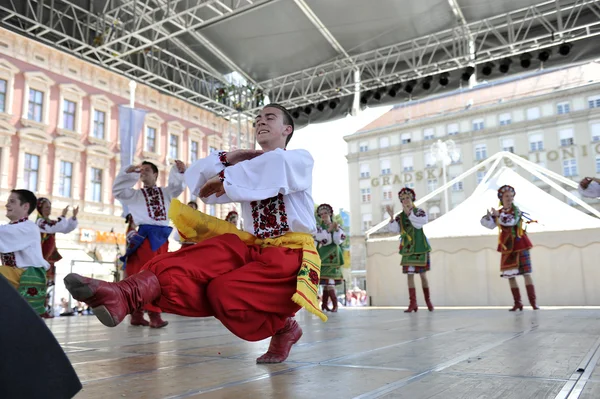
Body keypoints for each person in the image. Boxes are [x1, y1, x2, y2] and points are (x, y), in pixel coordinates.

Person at [63, 103, 325, 364]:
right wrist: (232, 157)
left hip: (290, 255)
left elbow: (273, 166)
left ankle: (283, 328)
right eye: (257, 119)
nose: (261, 122)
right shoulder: (244, 170)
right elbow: (201, 185)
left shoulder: (298, 159)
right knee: (204, 255)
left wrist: (227, 178)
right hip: (256, 248)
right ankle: (126, 294)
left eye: (269, 118)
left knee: (223, 291)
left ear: (287, 129)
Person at [111, 160, 186, 328]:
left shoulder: (166, 192)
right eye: (141, 170)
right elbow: (117, 190)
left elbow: (177, 187)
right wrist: (128, 173)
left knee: (155, 274)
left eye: (147, 170)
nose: (143, 172)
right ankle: (147, 315)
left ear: (155, 174)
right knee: (145, 274)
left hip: (160, 238)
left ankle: (146, 314)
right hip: (144, 238)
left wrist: (179, 171)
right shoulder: (135, 195)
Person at [480, 185, 539, 311]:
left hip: (519, 244)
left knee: (526, 273)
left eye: (511, 196)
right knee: (510, 275)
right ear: (501, 198)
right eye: (507, 196)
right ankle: (518, 303)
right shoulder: (500, 212)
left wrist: (498, 216)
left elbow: (511, 221)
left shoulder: (516, 210)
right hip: (506, 245)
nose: (509, 198)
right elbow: (490, 225)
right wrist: (489, 217)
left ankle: (533, 303)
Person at [0, 189, 50, 314]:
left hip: (27, 275)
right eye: (8, 201)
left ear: (25, 206)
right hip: (12, 274)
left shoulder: (29, 227)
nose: (7, 205)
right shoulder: (10, 227)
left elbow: (3, 234)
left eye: (12, 201)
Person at [387, 188, 433, 313]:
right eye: (403, 199)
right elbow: (394, 230)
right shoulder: (399, 216)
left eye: (407, 198)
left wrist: (409, 214)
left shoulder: (419, 212)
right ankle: (413, 303)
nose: (405, 201)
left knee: (423, 275)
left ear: (412, 199)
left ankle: (427, 300)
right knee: (409, 275)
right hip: (407, 248)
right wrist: (391, 217)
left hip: (420, 247)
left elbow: (419, 224)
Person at [35, 198, 79, 318]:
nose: (49, 209)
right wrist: (63, 215)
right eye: (46, 207)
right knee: (38, 284)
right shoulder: (40, 222)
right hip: (39, 259)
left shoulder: (48, 222)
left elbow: (64, 228)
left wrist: (73, 217)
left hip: (47, 259)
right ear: (40, 209)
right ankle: (37, 310)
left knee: (45, 285)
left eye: (50, 207)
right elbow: (55, 227)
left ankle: (43, 309)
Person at [314, 203, 345, 312]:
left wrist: (335, 230)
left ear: (330, 214)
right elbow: (322, 240)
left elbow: (338, 241)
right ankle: (328, 305)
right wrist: (328, 230)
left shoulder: (337, 226)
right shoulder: (318, 228)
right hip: (323, 256)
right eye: (321, 214)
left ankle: (330, 305)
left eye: (325, 213)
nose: (323, 215)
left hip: (334, 256)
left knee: (330, 281)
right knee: (327, 282)